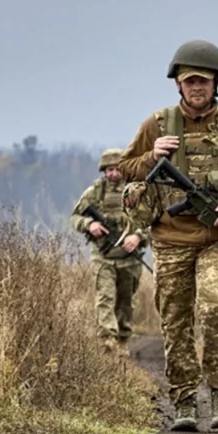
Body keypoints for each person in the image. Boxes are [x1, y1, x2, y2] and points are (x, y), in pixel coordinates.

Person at [118, 39, 218, 432]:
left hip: (215, 241)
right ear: (178, 85)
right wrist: (152, 156)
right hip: (170, 242)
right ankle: (184, 401)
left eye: (204, 81)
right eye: (190, 81)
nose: (197, 87)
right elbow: (123, 169)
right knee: (176, 320)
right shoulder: (157, 124)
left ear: (217, 83)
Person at [70, 149, 150, 356]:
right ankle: (108, 340)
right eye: (109, 170)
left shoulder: (137, 192)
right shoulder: (95, 192)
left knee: (126, 301)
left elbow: (153, 222)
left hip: (130, 258)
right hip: (103, 256)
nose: (113, 174)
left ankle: (123, 339)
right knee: (105, 298)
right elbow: (75, 217)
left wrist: (138, 237)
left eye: (117, 169)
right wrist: (90, 224)